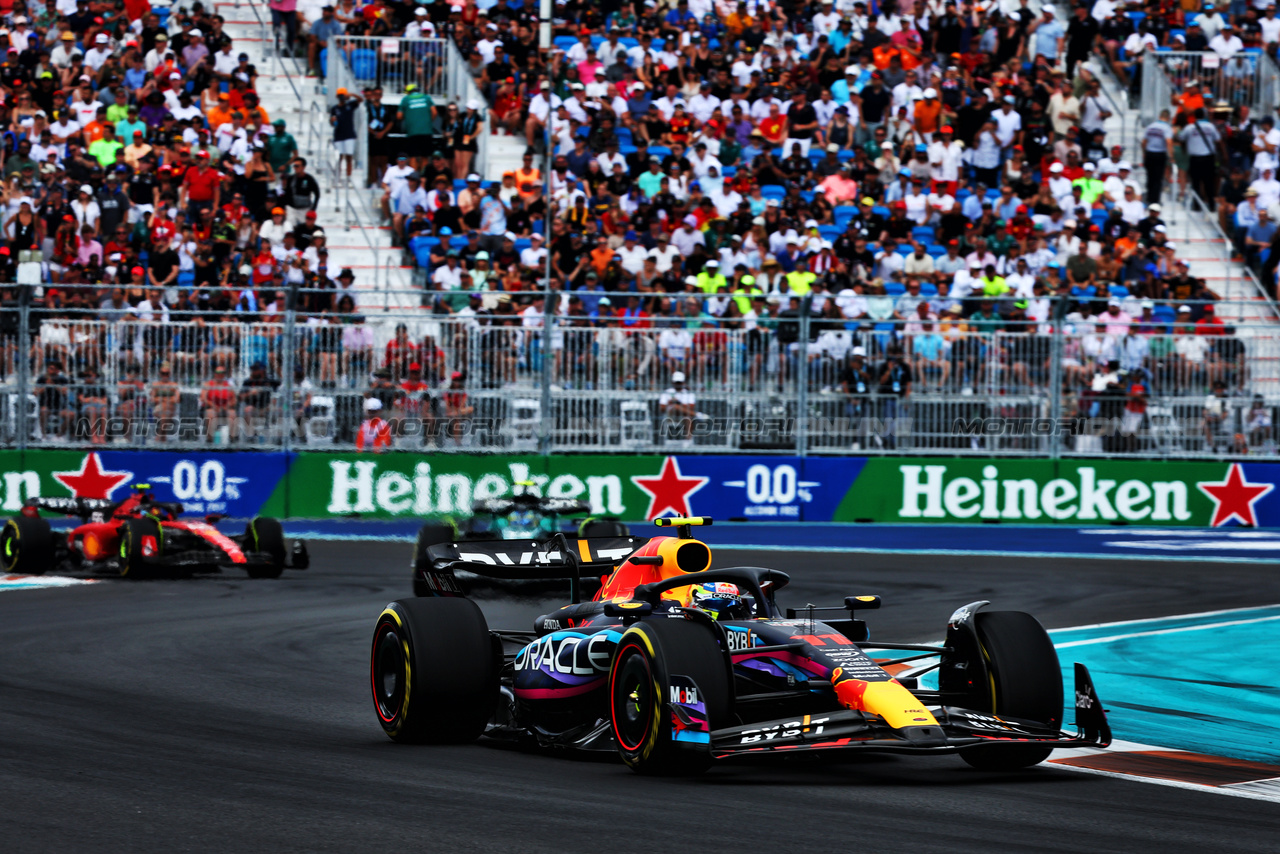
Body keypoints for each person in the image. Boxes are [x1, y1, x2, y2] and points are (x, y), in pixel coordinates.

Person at [329, 87, 362, 184]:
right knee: (339, 157)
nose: (342, 97)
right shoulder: (334, 108)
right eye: (340, 96)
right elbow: (331, 123)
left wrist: (351, 95)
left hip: (349, 134)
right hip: (339, 135)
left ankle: (348, 178)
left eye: (343, 95)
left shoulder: (350, 105)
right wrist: (332, 121)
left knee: (349, 157)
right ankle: (338, 177)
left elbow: (361, 100)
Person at [658, 369, 697, 440]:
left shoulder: (689, 393)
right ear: (673, 382)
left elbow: (691, 407)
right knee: (676, 407)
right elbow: (662, 408)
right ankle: (697, 415)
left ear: (683, 382)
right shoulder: (666, 392)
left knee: (687, 416)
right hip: (670, 416)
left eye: (679, 382)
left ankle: (688, 440)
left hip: (684, 415)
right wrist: (671, 403)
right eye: (676, 382)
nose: (678, 384)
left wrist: (678, 403)